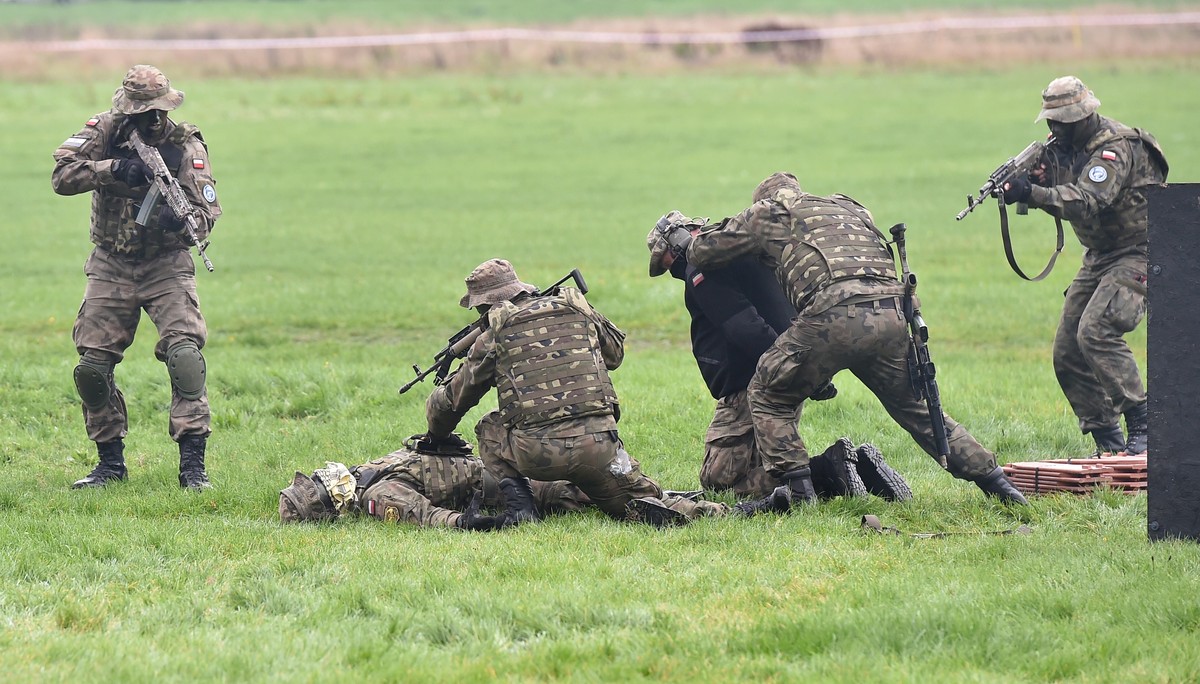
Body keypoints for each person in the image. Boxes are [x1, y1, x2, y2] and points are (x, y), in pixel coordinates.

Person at [659, 172, 1027, 513]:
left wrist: (686, 241)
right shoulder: (846, 205)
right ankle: (1000, 485)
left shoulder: (770, 214)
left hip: (832, 314)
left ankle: (801, 492)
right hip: (893, 312)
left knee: (767, 393)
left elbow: (703, 253)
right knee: (920, 410)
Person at [421, 258, 729, 527]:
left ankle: (521, 509)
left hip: (536, 456)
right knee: (641, 500)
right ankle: (717, 511)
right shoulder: (574, 307)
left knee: (489, 427)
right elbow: (615, 355)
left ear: (486, 304)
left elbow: (453, 400)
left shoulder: (494, 336)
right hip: (599, 448)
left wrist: (436, 436)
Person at [645, 213, 912, 504]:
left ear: (675, 244)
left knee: (718, 482)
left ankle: (831, 469)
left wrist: (779, 363)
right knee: (766, 466)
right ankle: (856, 467)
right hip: (791, 363)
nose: (669, 268)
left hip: (756, 380)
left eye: (665, 260)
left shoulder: (703, 268)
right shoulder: (744, 251)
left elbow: (743, 326)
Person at [52, 65, 222, 489]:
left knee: (185, 359)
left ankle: (193, 469)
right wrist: (111, 169)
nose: (146, 119)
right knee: (93, 368)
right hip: (111, 263)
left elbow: (206, 215)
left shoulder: (185, 144)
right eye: (138, 111)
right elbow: (61, 175)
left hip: (166, 265)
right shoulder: (107, 131)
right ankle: (110, 465)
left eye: (154, 111)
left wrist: (177, 220)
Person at [1002, 76, 1166, 457]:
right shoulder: (1064, 149)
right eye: (1050, 121)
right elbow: (1049, 194)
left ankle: (1145, 425)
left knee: (1096, 331)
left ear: (1083, 116)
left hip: (1139, 251)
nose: (1053, 128)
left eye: (1061, 121)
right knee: (1067, 350)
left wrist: (1034, 192)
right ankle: (1109, 444)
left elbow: (1089, 201)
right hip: (1099, 255)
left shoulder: (1114, 149)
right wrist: (1021, 189)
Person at [278, 433, 591, 529]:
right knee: (571, 487)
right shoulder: (375, 487)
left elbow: (424, 512)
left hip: (495, 473)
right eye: (323, 484)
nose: (327, 476)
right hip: (496, 475)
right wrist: (467, 522)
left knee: (575, 486)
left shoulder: (371, 482)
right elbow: (426, 515)